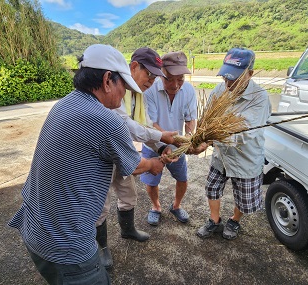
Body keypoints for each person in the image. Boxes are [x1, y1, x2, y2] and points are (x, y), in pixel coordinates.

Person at [8, 44, 167, 285]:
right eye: (122, 85)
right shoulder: (105, 119)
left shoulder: (64, 104)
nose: (124, 92)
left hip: (35, 228)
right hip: (65, 246)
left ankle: (124, 232)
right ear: (106, 80)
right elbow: (134, 166)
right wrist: (155, 163)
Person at [95, 47, 179, 269]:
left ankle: (128, 230)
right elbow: (127, 126)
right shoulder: (115, 89)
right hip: (102, 156)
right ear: (133, 67)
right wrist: (160, 142)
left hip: (121, 152)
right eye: (148, 74)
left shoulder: (139, 95)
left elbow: (146, 125)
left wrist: (161, 147)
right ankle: (102, 248)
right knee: (101, 206)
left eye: (155, 77)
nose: (151, 81)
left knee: (128, 194)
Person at [197, 47, 271, 240]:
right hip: (221, 155)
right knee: (212, 187)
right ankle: (214, 220)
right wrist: (201, 137)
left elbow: (244, 132)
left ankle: (235, 220)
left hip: (246, 157)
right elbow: (207, 118)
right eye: (225, 77)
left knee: (244, 198)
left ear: (250, 74)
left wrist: (211, 139)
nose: (228, 82)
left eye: (234, 78)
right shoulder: (220, 90)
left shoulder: (260, 98)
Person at [141, 51, 197, 226]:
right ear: (161, 73)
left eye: (180, 79)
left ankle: (176, 206)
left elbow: (190, 118)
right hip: (152, 145)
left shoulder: (188, 90)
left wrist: (188, 139)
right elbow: (150, 123)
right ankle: (156, 207)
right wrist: (163, 145)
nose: (175, 85)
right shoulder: (150, 90)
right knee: (151, 180)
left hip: (177, 146)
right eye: (169, 79)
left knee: (182, 178)